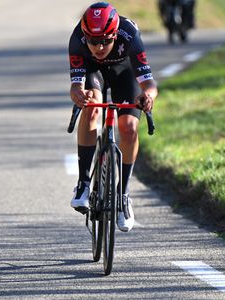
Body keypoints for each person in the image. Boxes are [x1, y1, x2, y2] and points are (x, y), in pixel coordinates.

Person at [68, 2, 158, 232]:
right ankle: (83, 184)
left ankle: (124, 195)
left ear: (115, 35)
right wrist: (78, 94)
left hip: (123, 72)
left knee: (128, 127)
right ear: (85, 36)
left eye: (106, 41)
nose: (98, 47)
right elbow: (76, 85)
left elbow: (149, 83)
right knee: (92, 107)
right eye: (93, 41)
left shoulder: (130, 35)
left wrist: (147, 96)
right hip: (93, 73)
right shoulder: (77, 38)